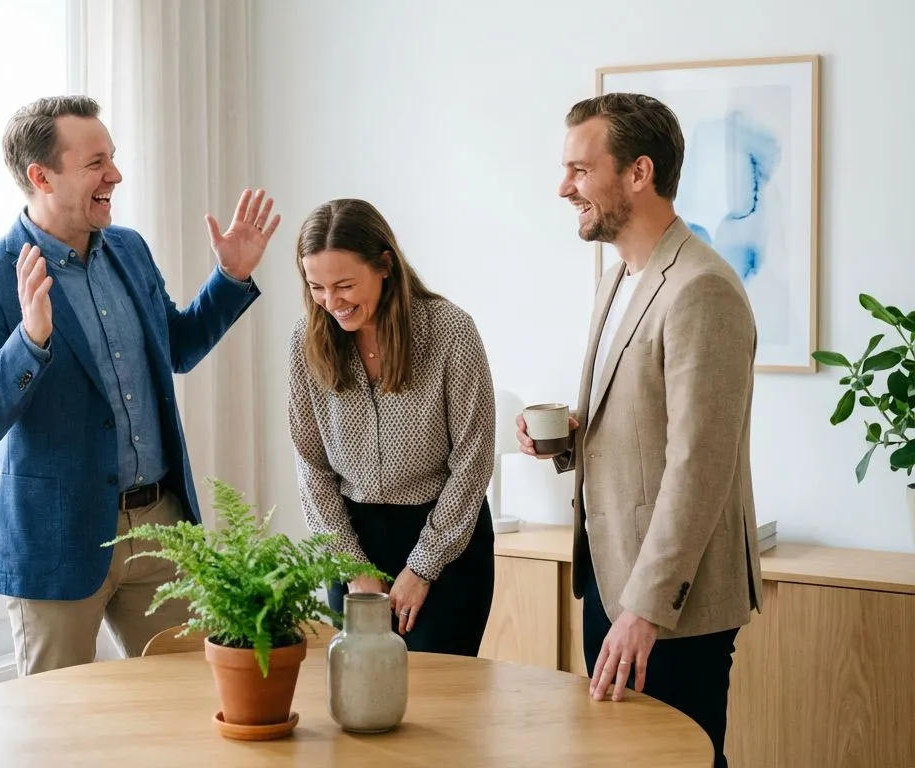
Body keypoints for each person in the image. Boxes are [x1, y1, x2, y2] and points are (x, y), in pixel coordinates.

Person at [0, 95, 280, 675]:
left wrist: (232, 278)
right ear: (40, 176)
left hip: (160, 527)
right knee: (60, 728)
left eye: (114, 158)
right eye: (96, 162)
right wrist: (29, 340)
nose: (115, 176)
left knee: (187, 704)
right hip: (56, 539)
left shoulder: (128, 249)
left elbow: (176, 346)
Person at [517, 93, 763, 767]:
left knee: (677, 758)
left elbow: (698, 464)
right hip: (610, 574)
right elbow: (643, 425)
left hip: (668, 602)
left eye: (579, 168)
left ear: (638, 173)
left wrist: (647, 609)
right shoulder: (619, 278)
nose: (564, 187)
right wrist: (568, 440)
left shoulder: (701, 289)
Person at [287, 198, 496, 656]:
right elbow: (311, 466)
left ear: (385, 264)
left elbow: (473, 459)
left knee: (439, 704)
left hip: (448, 542)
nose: (331, 302)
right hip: (353, 540)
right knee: (364, 699)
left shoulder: (450, 332)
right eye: (316, 287)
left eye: (344, 285)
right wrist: (353, 566)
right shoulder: (306, 344)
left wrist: (423, 566)